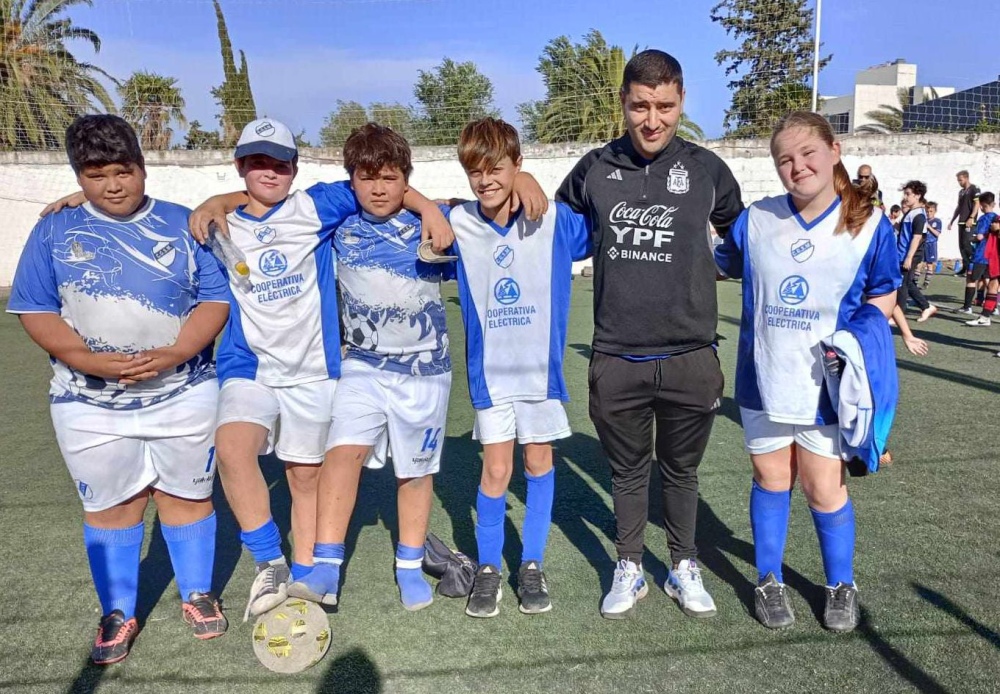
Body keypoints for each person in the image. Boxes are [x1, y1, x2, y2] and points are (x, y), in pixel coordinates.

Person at [7, 115, 231, 663]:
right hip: (88, 402)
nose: (112, 184)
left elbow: (215, 298)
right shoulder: (54, 230)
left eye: (123, 170)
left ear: (143, 166)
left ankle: (197, 594)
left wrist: (178, 351)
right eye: (96, 173)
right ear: (77, 176)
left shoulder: (185, 224)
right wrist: (87, 360)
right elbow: (35, 307)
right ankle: (118, 611)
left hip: (184, 391)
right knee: (114, 504)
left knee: (186, 494)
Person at [556, 49, 744, 619]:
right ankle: (631, 566)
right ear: (624, 103)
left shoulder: (707, 169)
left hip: (691, 354)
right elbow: (556, 226)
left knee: (682, 470)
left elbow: (745, 236)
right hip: (617, 354)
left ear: (682, 102)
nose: (653, 119)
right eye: (641, 106)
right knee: (628, 470)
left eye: (665, 106)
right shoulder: (593, 168)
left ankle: (683, 564)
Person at [714, 111, 899, 632]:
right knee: (771, 481)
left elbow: (884, 292)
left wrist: (856, 341)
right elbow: (715, 261)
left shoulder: (868, 224)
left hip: (828, 390)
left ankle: (841, 584)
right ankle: (768, 580)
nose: (797, 167)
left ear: (834, 151)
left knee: (824, 490)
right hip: (764, 379)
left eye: (807, 154)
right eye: (784, 160)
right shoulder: (756, 220)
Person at [193, 119, 375, 622]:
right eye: (257, 161)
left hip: (315, 370)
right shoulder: (215, 226)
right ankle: (269, 561)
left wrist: (427, 207)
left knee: (303, 479)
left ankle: (304, 574)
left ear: (294, 169)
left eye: (279, 163)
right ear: (239, 167)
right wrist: (75, 201)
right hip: (248, 366)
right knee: (231, 450)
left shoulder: (315, 205)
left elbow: (382, 181)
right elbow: (138, 213)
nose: (268, 171)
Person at [287, 124, 454, 611]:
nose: (378, 188)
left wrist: (430, 208)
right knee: (341, 456)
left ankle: (408, 566)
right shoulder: (336, 224)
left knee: (416, 474)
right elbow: (264, 203)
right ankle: (325, 568)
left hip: (426, 372)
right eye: (366, 178)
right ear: (351, 181)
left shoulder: (436, 224)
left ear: (406, 179)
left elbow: (492, 212)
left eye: (390, 177)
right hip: (361, 366)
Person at [446, 118, 592, 618]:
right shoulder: (460, 223)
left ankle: (530, 564)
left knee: (538, 465)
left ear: (518, 166)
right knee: (496, 469)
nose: (486, 180)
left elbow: (607, 215)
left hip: (538, 374)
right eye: (475, 172)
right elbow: (411, 206)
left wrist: (537, 188)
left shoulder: (552, 220)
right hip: (491, 378)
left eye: (498, 169)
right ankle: (489, 568)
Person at [896, 181, 937, 322]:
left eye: (908, 194)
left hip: (910, 254)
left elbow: (917, 237)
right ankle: (926, 306)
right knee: (906, 282)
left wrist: (909, 257)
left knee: (902, 284)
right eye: (905, 194)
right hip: (903, 253)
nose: (906, 197)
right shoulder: (911, 213)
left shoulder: (918, 215)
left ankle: (898, 316)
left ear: (918, 195)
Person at [957, 193, 997, 315]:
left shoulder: (983, 218)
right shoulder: (997, 217)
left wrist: (973, 238)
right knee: (988, 280)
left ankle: (967, 307)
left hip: (980, 254)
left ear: (982, 205)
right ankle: (993, 307)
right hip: (991, 255)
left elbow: (979, 236)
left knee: (971, 278)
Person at [964, 205, 1000, 327]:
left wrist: (998, 229)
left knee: (991, 284)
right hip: (995, 258)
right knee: (992, 285)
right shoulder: (997, 218)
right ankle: (985, 317)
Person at [949, 170, 981, 275]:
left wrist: (971, 217)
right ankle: (965, 268)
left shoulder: (974, 189)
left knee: (967, 245)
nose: (959, 182)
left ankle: (974, 267)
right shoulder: (961, 192)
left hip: (970, 222)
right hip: (961, 222)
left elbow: (977, 204)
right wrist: (952, 221)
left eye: (961, 180)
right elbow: (959, 207)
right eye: (958, 180)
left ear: (966, 178)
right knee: (961, 246)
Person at [919, 202, 942, 288]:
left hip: (931, 245)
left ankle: (926, 283)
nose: (929, 213)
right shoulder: (923, 220)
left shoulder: (937, 221)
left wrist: (929, 227)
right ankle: (915, 281)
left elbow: (937, 233)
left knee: (929, 264)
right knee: (919, 263)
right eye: (927, 211)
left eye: (931, 211)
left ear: (935, 211)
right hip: (922, 243)